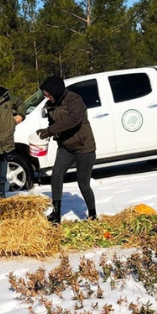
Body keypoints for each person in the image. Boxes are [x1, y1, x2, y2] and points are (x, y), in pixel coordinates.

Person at [36, 75, 97, 224]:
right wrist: (45, 135)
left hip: (84, 147)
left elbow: (74, 120)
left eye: (48, 94)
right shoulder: (50, 104)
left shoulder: (75, 100)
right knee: (56, 175)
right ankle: (56, 214)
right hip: (66, 146)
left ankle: (92, 214)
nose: (47, 97)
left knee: (83, 182)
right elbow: (53, 123)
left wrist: (51, 130)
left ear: (56, 91)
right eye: (45, 95)